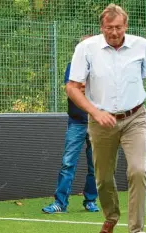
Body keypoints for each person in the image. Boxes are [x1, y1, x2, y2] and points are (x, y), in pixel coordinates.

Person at [66, 4, 146, 233]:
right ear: (101, 27)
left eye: (118, 27)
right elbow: (72, 88)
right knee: (103, 177)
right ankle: (111, 216)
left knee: (138, 171)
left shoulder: (140, 45)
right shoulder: (86, 48)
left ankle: (136, 232)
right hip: (101, 121)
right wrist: (95, 113)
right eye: (109, 28)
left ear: (125, 26)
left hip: (134, 117)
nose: (114, 32)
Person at [42, 35, 100, 214]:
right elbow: (71, 89)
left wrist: (83, 86)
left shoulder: (101, 68)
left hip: (97, 124)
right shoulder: (72, 66)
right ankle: (60, 203)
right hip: (76, 123)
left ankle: (90, 200)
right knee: (68, 163)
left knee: (96, 165)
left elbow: (99, 90)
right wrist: (83, 87)